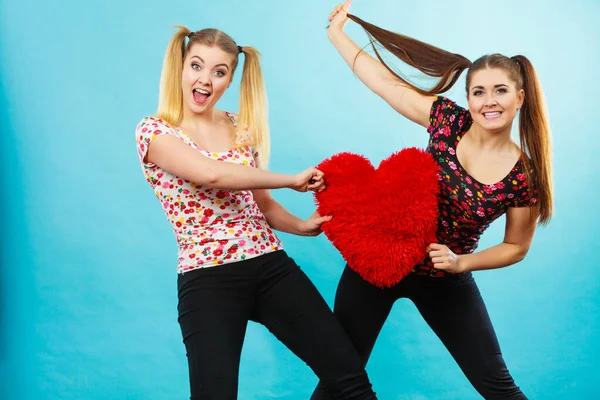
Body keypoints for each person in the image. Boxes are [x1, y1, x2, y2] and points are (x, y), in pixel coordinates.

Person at [312, 2, 553, 399]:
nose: (489, 101)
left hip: (444, 278)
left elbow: (516, 247)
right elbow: (384, 83)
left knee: (498, 387)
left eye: (500, 91)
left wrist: (463, 262)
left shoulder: (523, 177)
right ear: (468, 98)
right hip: (380, 262)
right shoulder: (447, 122)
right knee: (339, 379)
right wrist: (337, 32)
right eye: (479, 91)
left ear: (520, 98)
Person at [135, 25, 377, 400]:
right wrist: (290, 180)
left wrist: (302, 225)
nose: (205, 80)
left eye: (219, 71)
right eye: (196, 66)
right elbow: (210, 173)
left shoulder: (237, 127)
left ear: (231, 79)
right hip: (208, 279)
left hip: (270, 267)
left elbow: (261, 204)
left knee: (350, 381)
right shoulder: (154, 131)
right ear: (181, 68)